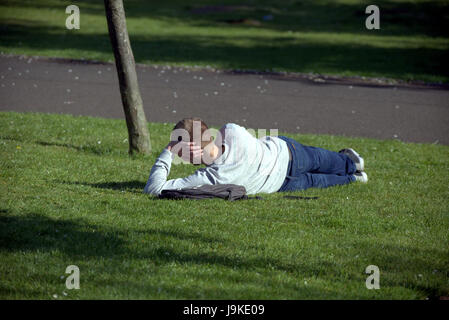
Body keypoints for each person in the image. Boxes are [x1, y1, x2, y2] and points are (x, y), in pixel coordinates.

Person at [143, 117, 367, 196]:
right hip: (287, 153)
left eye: (181, 150)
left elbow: (154, 189)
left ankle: (355, 178)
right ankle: (352, 164)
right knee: (322, 160)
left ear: (192, 148)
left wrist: (168, 151)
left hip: (279, 184)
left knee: (318, 181)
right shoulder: (231, 130)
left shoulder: (211, 178)